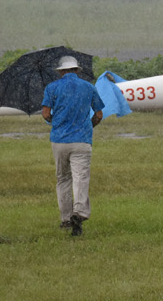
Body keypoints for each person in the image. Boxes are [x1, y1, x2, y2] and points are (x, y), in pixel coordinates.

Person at [41, 56, 105, 237]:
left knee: (63, 179)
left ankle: (66, 218)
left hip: (59, 141)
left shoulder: (52, 88)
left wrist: (56, 122)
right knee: (80, 178)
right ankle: (79, 212)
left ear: (61, 72)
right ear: (77, 70)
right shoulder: (89, 87)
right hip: (82, 140)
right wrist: (88, 127)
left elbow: (45, 113)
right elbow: (99, 115)